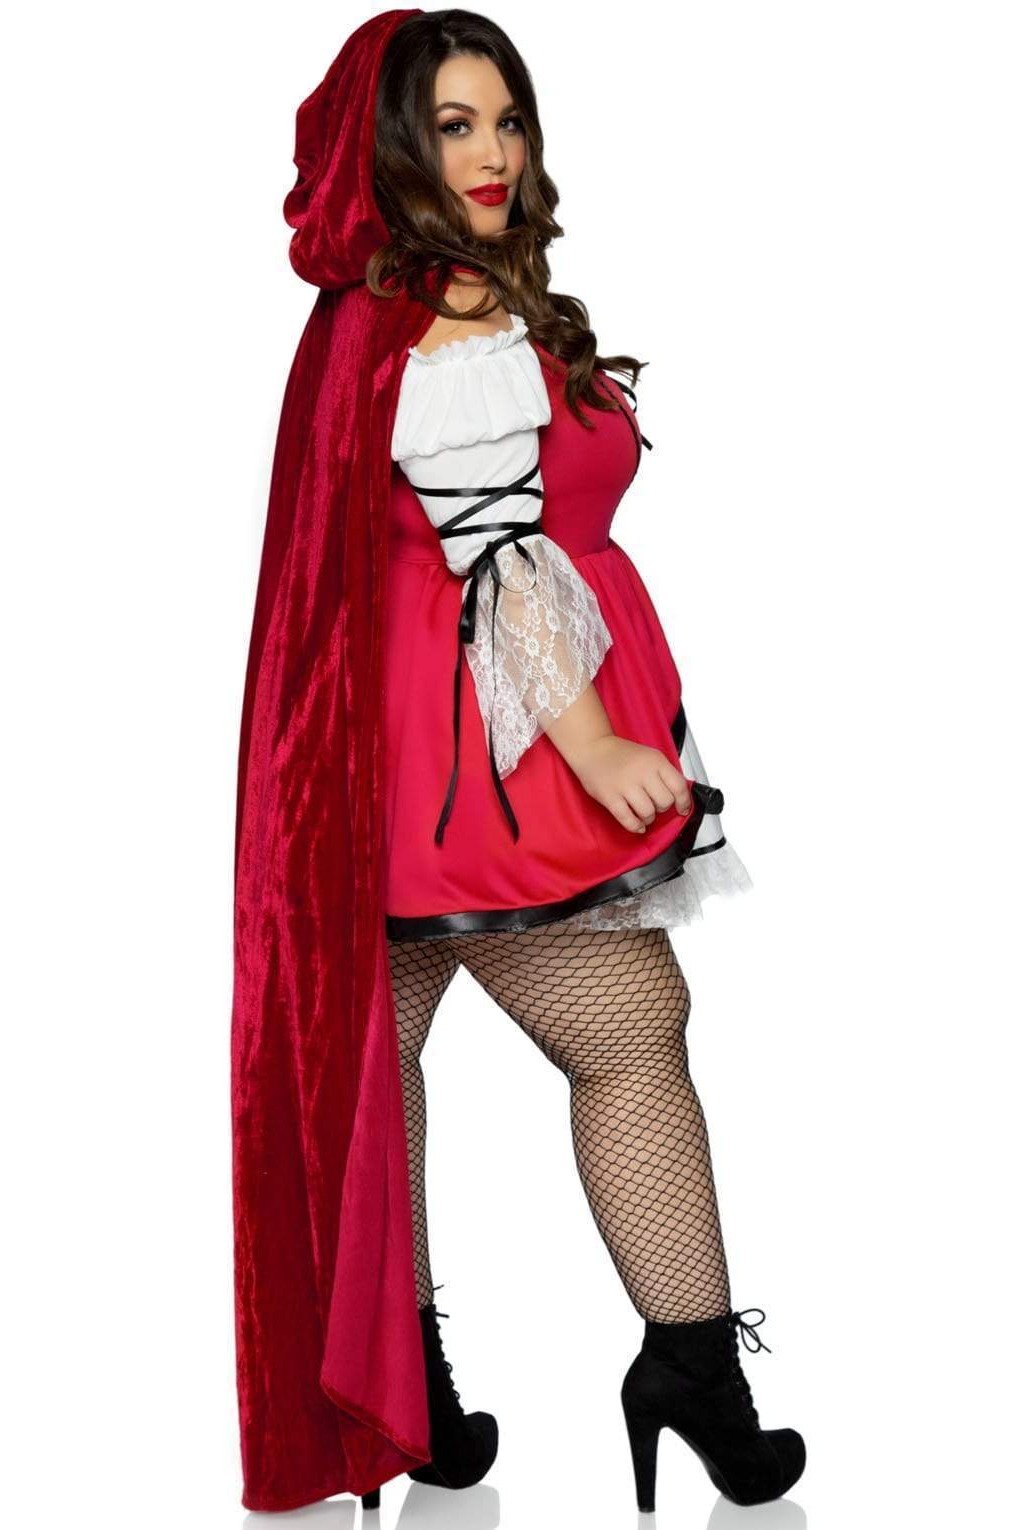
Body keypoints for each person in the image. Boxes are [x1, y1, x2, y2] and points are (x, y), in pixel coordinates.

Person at [231, 8, 805, 1516]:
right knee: (629, 1031)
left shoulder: (417, 304)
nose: (491, 154)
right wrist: (592, 735)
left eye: (508, 121)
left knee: (377, 1065)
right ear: (391, 152)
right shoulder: (442, 320)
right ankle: (679, 1368)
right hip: (475, 753)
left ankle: (409, 1393)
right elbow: (494, 555)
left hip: (398, 749)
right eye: (454, 126)